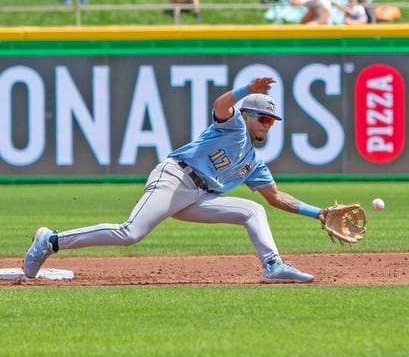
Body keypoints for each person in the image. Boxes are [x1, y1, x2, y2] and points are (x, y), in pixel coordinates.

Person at [23, 77, 342, 283]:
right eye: (263, 118)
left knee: (253, 210)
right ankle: (50, 241)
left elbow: (275, 197)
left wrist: (319, 213)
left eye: (272, 121)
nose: (268, 124)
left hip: (199, 196)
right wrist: (247, 89)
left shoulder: (254, 163)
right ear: (247, 115)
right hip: (175, 178)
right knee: (130, 233)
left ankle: (273, 266)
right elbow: (221, 105)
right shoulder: (234, 127)